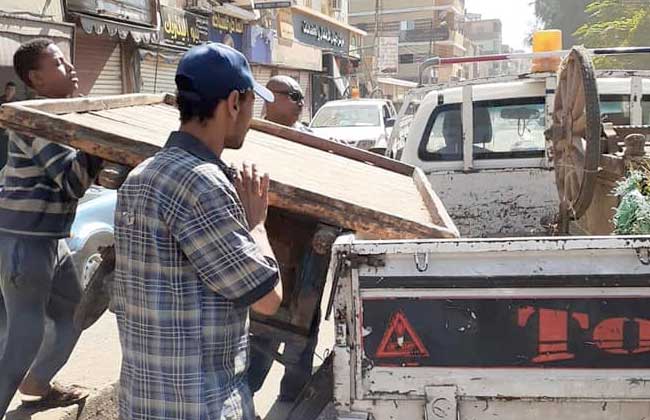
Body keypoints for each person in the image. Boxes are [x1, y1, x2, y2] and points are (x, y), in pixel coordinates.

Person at [111, 42, 283, 420]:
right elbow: (268, 298)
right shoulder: (202, 185)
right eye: (253, 103)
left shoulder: (140, 176)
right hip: (200, 406)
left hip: (142, 405)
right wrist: (257, 224)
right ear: (234, 102)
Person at [0, 38, 102, 415]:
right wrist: (98, 137)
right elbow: (73, 181)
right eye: (58, 63)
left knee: (75, 312)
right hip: (23, 243)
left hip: (48, 239)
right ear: (35, 79)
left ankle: (37, 383)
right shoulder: (34, 119)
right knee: (22, 339)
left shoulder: (59, 116)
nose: (71, 68)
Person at [249, 74, 337, 403]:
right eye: (265, 94)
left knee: (303, 326)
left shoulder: (314, 145)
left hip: (306, 252)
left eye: (276, 94)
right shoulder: (253, 136)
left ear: (297, 103)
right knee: (261, 326)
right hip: (267, 243)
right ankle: (248, 391)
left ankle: (293, 396)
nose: (267, 100)